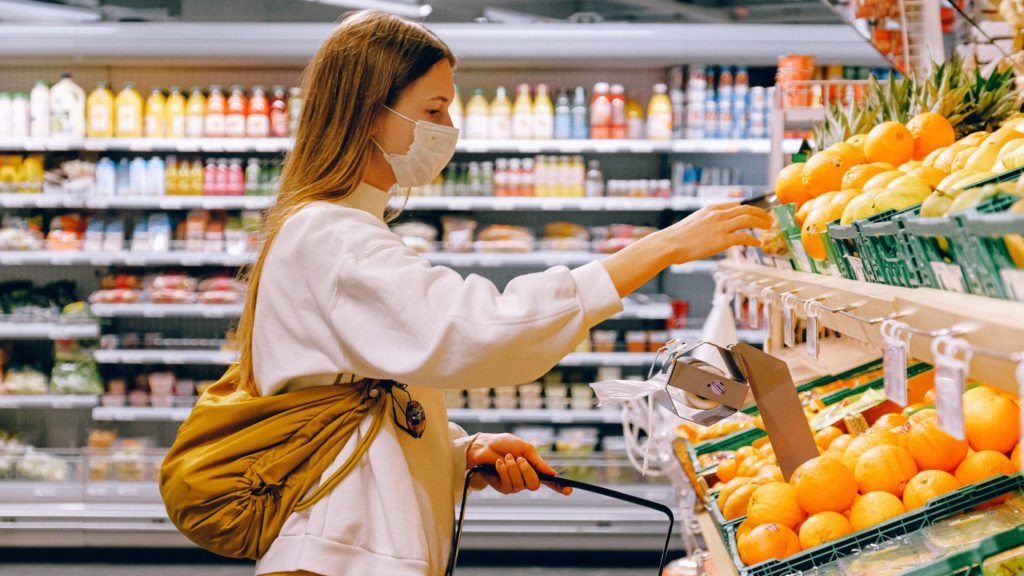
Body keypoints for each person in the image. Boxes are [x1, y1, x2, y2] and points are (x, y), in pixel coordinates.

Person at [241, 10, 771, 576]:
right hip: (338, 556)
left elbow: (361, 406)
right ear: (369, 112)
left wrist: (459, 454)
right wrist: (658, 249)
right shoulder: (332, 238)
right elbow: (478, 329)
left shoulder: (342, 229)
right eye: (433, 110)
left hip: (357, 547)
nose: (448, 126)